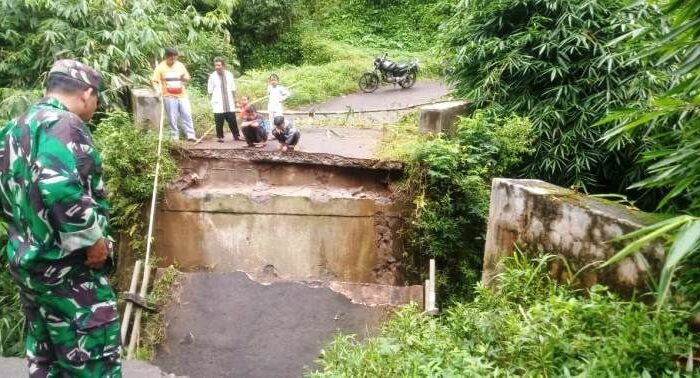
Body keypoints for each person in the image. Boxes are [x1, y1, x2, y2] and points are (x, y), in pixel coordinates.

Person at [0, 60, 121, 377]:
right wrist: (92, 240)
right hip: (69, 270)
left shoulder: (15, 128)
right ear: (87, 94)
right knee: (92, 360)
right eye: (96, 99)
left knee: (47, 360)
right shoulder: (64, 123)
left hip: (31, 266)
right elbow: (60, 187)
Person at [152, 48, 196, 141]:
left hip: (182, 94)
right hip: (168, 95)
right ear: (166, 57)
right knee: (172, 117)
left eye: (175, 59)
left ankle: (190, 135)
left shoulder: (180, 65)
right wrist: (157, 90)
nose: (173, 61)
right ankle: (175, 136)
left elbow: (187, 77)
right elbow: (155, 81)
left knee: (187, 114)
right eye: (171, 59)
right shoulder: (160, 67)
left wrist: (185, 78)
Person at [207, 57, 240, 143]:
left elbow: (233, 88)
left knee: (232, 119)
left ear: (223, 66)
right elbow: (209, 91)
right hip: (218, 102)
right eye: (215, 65)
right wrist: (211, 101)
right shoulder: (212, 76)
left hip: (229, 102)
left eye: (219, 65)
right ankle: (220, 137)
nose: (217, 67)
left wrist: (235, 100)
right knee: (219, 120)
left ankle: (236, 136)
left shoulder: (229, 75)